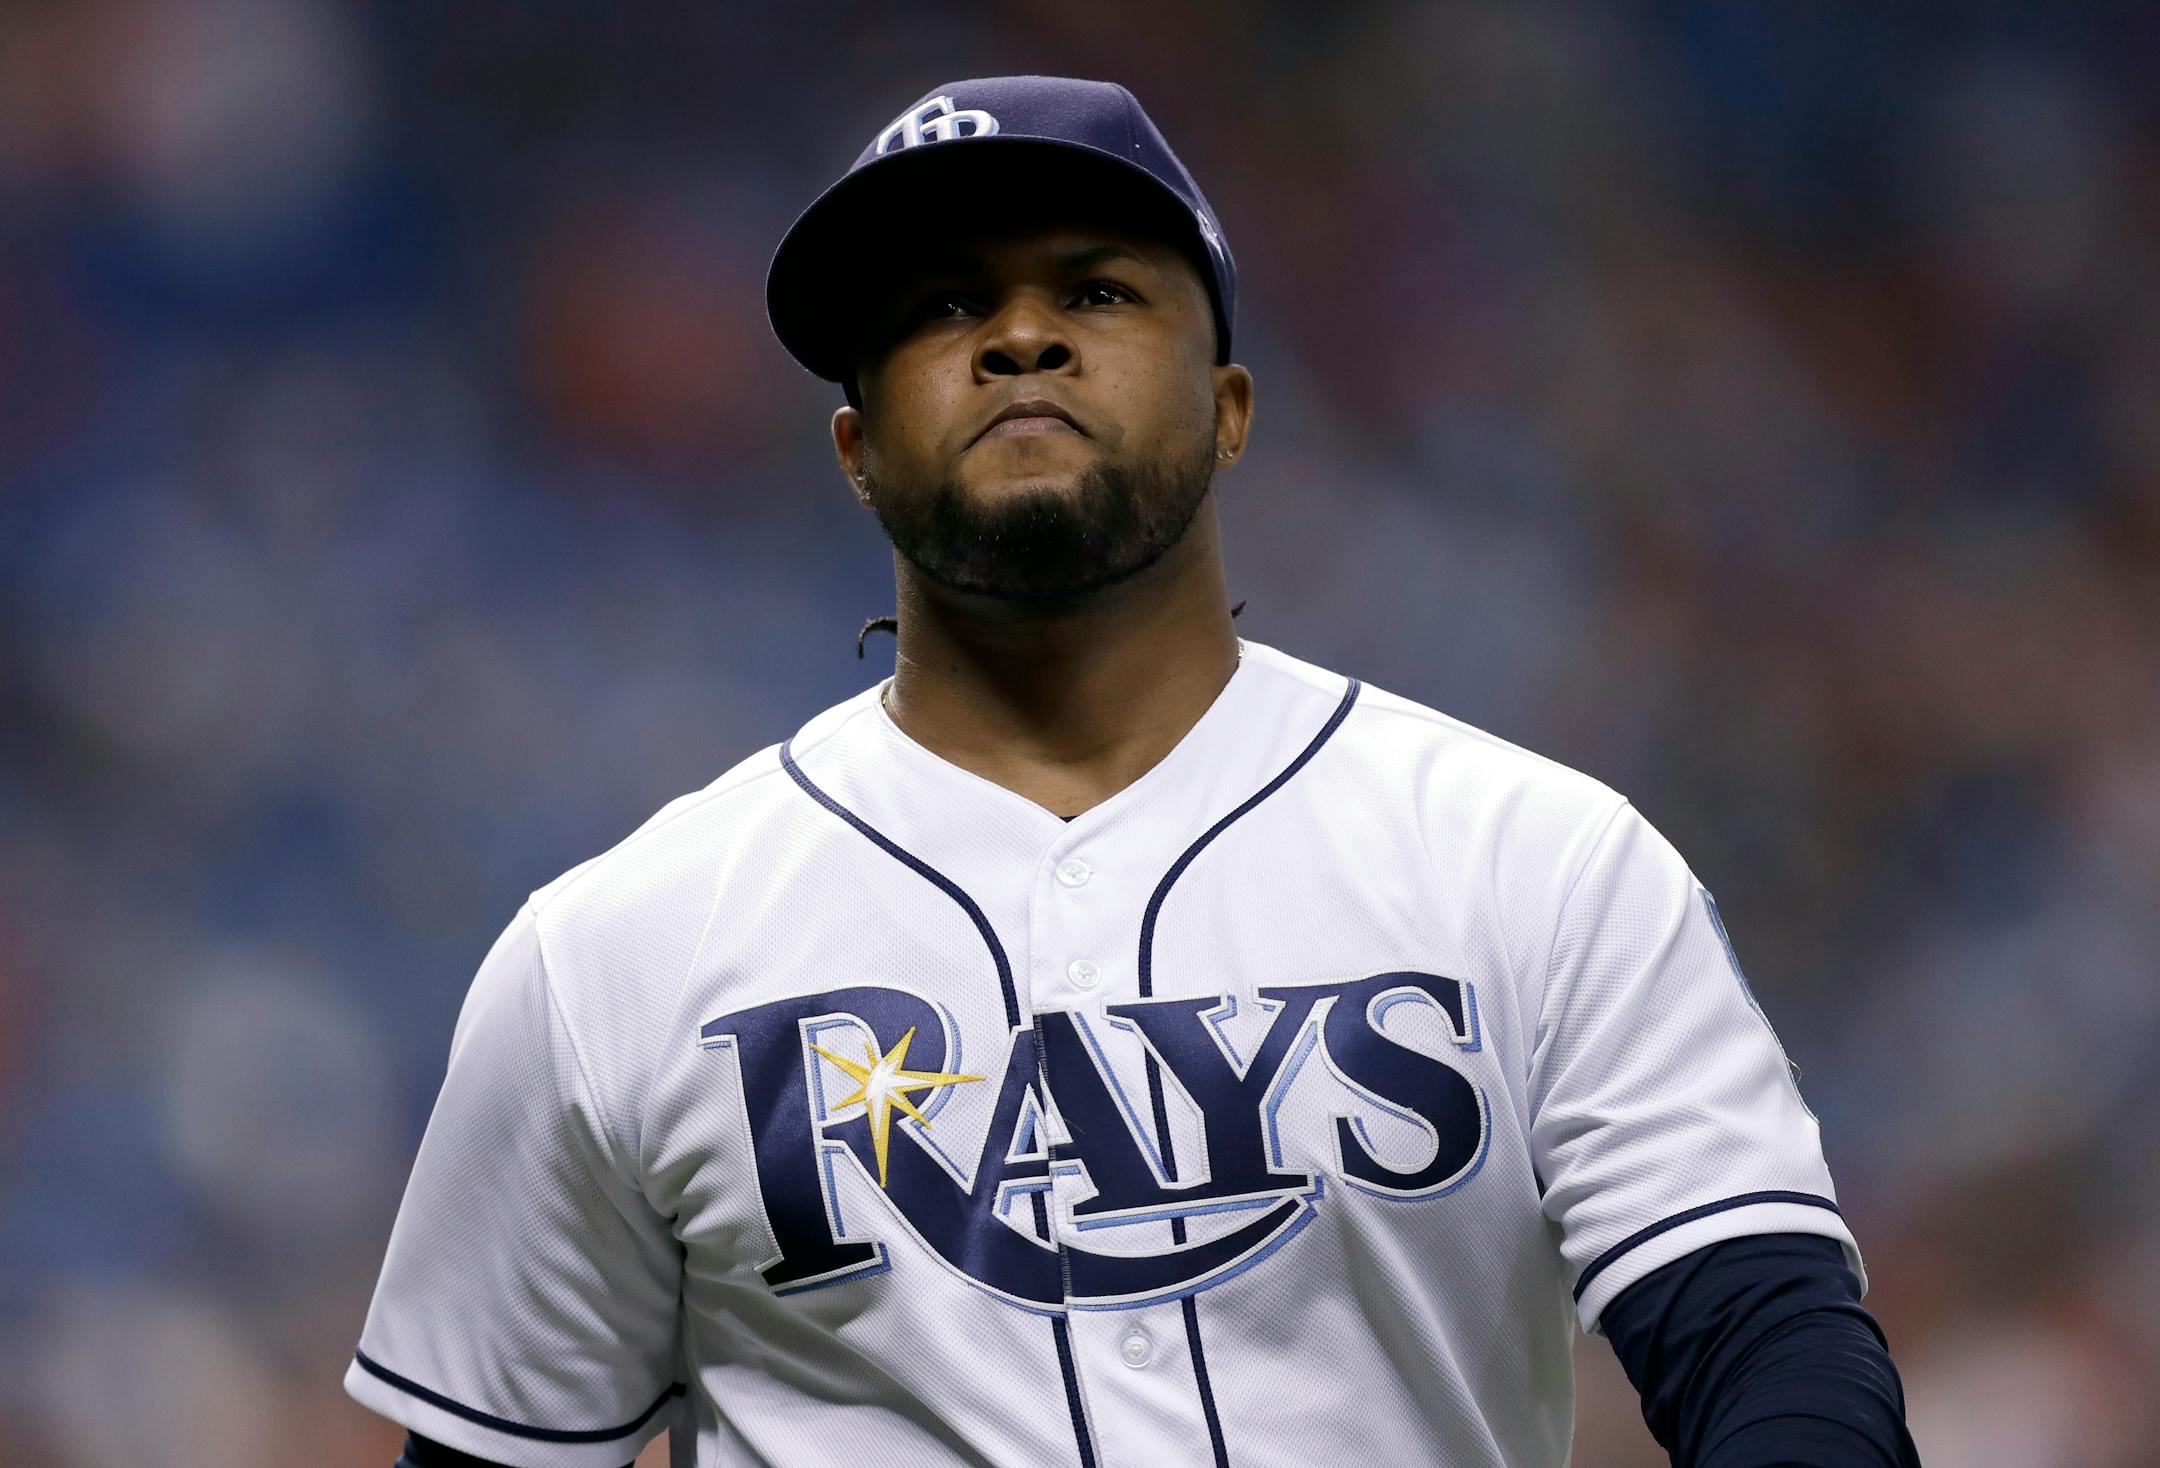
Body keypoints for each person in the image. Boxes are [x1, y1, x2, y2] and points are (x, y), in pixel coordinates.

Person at [346, 76, 1919, 1467]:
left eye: (1095, 291)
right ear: (854, 449)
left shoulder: (1537, 861)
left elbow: (1771, 1352)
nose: (1019, 335)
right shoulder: (609, 957)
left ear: (1229, 412)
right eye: (941, 308)